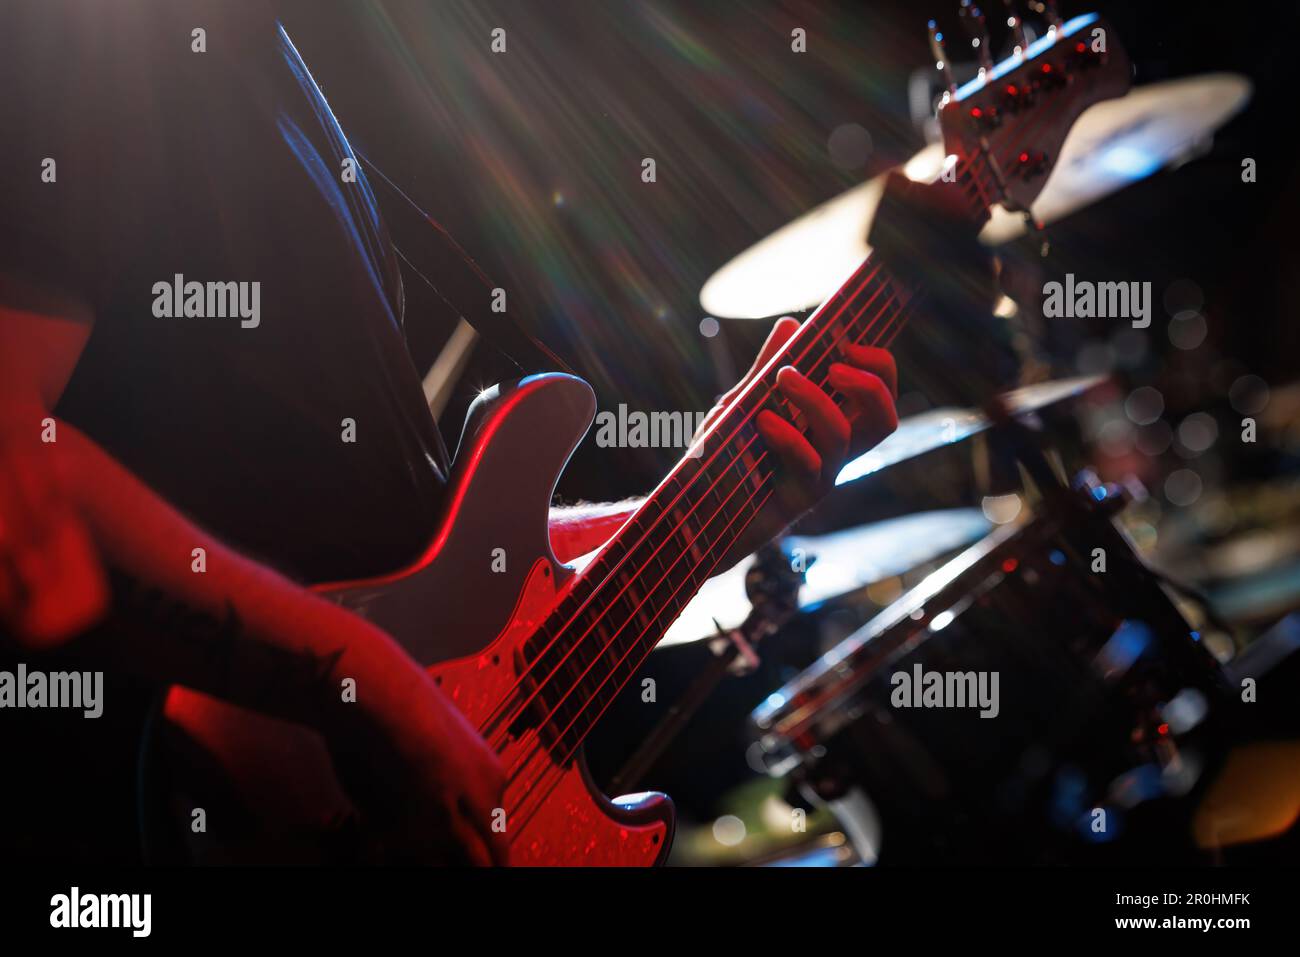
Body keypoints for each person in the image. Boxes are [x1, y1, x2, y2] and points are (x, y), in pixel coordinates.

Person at [0, 1, 973, 865]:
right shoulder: (84, 35)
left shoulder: (265, 62)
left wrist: (714, 506)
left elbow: (426, 587)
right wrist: (361, 680)